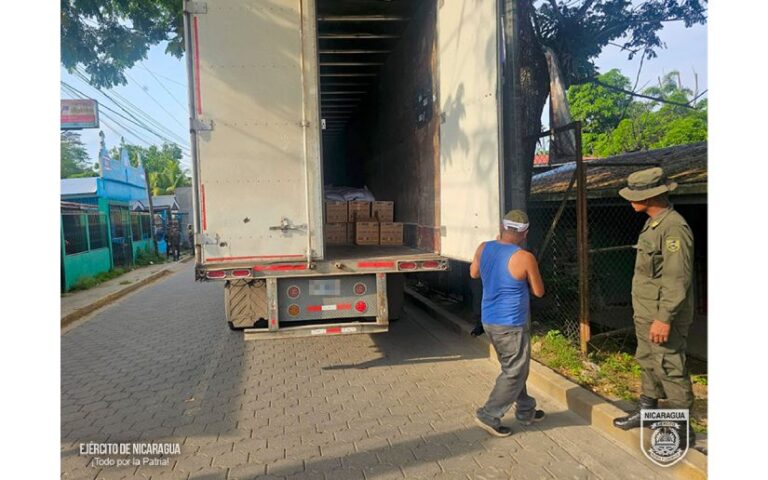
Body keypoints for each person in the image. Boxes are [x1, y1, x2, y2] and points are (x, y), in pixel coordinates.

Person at [613, 167, 696, 447]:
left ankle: (683, 431)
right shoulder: (654, 224)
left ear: (652, 196)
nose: (630, 200)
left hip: (662, 314)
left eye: (636, 195)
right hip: (647, 311)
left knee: (669, 366)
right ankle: (648, 412)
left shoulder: (674, 228)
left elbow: (677, 279)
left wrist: (664, 318)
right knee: (647, 360)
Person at [470, 209, 546, 437]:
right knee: (515, 371)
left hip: (489, 320)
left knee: (514, 368)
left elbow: (474, 273)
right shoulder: (524, 257)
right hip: (511, 323)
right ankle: (489, 414)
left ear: (502, 228)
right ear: (525, 233)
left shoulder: (484, 247)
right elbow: (539, 291)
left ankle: (525, 410)